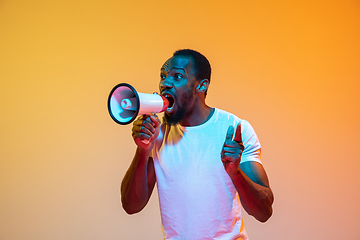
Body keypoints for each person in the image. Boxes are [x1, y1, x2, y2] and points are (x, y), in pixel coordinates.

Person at [121, 49, 274, 240]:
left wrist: (235, 173)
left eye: (177, 76)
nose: (165, 83)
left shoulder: (236, 129)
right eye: (163, 76)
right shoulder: (157, 134)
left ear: (201, 86)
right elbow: (131, 206)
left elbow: (264, 212)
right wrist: (143, 150)